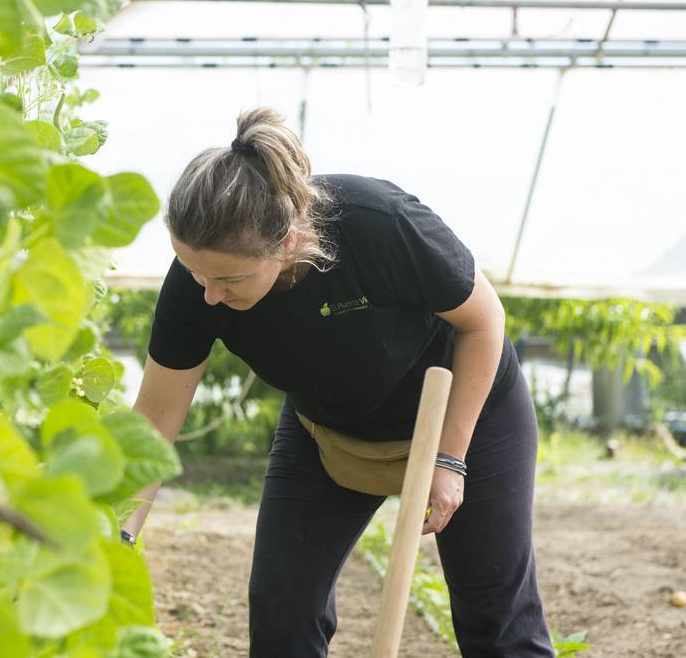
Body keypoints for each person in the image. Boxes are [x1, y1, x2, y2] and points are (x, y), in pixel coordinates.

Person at [120, 108, 554, 657]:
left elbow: (484, 321)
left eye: (228, 278)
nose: (209, 294)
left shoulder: (380, 223)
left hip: (466, 413)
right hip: (325, 427)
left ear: (286, 242)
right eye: (195, 272)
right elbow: (155, 421)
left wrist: (450, 459)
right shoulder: (198, 284)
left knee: (496, 618)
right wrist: (118, 534)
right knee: (282, 609)